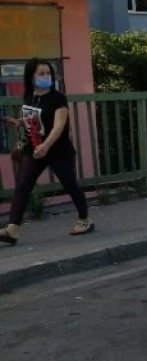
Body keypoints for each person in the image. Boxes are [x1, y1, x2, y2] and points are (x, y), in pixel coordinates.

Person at [1, 59, 93, 244]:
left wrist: (46, 146)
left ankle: (84, 220)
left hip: (58, 150)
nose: (46, 77)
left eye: (48, 73)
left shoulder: (58, 98)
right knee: (23, 186)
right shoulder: (29, 95)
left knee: (70, 184)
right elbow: (34, 115)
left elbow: (59, 126)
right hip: (34, 148)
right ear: (31, 77)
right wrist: (19, 121)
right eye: (41, 73)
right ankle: (12, 230)